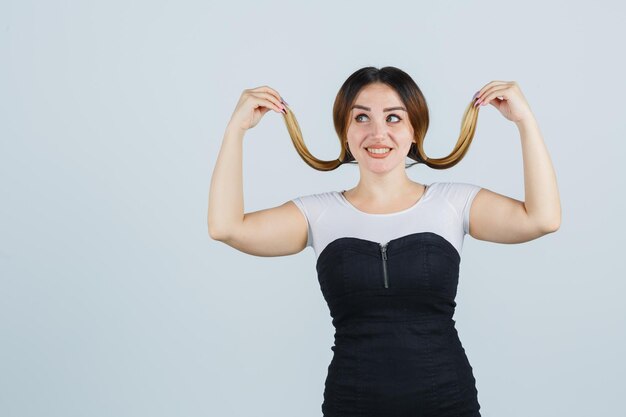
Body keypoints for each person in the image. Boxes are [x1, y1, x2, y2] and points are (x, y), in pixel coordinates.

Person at [208, 66, 561, 417]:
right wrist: (235, 130)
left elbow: (542, 218)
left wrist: (525, 121)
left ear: (414, 131)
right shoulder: (317, 214)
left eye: (393, 118)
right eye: (361, 118)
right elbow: (226, 227)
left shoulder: (453, 203)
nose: (378, 133)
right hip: (352, 406)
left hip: (448, 404)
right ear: (344, 132)